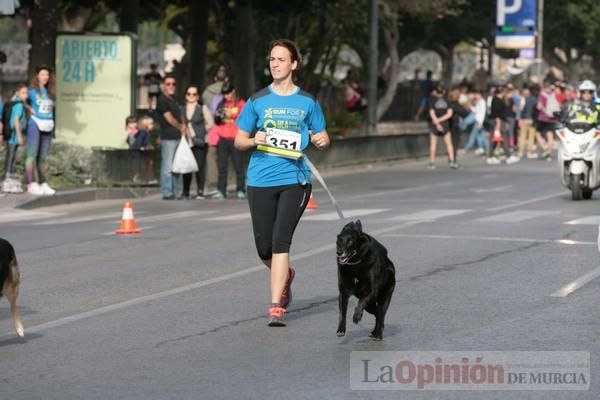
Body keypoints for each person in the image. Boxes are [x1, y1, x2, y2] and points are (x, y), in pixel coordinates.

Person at [234, 39, 330, 326]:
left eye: (280, 59)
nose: (274, 64)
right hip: (260, 179)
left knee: (280, 242)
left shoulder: (308, 102)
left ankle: (276, 305)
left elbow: (322, 136)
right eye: (272, 59)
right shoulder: (258, 100)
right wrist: (254, 139)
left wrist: (322, 140)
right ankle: (285, 274)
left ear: (294, 64)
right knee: (264, 248)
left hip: (295, 180)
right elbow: (239, 140)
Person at [26, 65, 56, 196]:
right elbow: (18, 99)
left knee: (42, 158)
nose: (45, 77)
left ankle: (43, 183)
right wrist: (28, 108)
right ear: (37, 75)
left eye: (47, 75)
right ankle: (32, 183)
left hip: (48, 125)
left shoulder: (50, 92)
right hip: (35, 124)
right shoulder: (32, 91)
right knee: (31, 155)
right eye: (42, 74)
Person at [156, 74, 186, 200]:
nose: (171, 86)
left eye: (173, 84)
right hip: (168, 137)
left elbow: (181, 115)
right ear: (163, 86)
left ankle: (177, 191)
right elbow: (169, 118)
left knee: (176, 166)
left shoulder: (176, 99)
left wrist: (183, 126)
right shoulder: (162, 100)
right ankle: (167, 192)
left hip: (178, 137)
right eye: (168, 84)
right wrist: (181, 127)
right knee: (167, 167)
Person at [214, 82, 246, 199]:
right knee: (222, 167)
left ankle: (241, 189)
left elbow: (245, 117)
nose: (226, 96)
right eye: (224, 94)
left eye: (227, 93)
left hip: (236, 139)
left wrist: (232, 113)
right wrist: (218, 115)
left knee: (238, 166)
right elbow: (216, 121)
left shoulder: (240, 103)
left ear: (233, 91)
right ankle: (221, 190)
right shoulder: (221, 104)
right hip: (223, 139)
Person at [181, 84, 214, 199]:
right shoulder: (182, 108)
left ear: (198, 96)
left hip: (200, 141)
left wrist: (202, 130)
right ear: (185, 96)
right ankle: (186, 191)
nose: (191, 96)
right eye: (189, 94)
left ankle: (200, 190)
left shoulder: (202, 108)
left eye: (194, 94)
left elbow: (210, 122)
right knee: (187, 167)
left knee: (200, 166)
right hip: (187, 142)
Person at [203, 65, 229, 197]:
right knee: (227, 157)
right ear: (226, 79)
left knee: (211, 156)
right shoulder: (230, 91)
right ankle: (231, 185)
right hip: (227, 128)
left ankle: (213, 184)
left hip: (213, 128)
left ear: (214, 78)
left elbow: (204, 109)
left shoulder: (207, 92)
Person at [2, 84, 28, 193]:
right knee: (11, 155)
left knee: (12, 155)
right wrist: (19, 136)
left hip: (11, 134)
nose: (25, 95)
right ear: (17, 93)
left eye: (26, 93)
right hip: (14, 135)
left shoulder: (16, 103)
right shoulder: (19, 105)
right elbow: (16, 120)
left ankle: (10, 177)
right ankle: (7, 179)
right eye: (23, 93)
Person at [427, 86, 458, 169]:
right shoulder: (447, 101)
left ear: (436, 92)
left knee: (433, 144)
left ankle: (432, 162)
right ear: (443, 92)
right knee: (448, 144)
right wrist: (441, 120)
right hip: (445, 124)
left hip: (434, 124)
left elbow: (432, 112)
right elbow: (449, 114)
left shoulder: (432, 101)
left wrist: (436, 122)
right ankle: (452, 161)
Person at [536, 82, 559, 161]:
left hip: (543, 118)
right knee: (550, 136)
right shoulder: (552, 95)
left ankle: (544, 147)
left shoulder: (542, 95)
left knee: (538, 134)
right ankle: (548, 153)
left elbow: (539, 107)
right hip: (552, 119)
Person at [125, 115, 151, 183]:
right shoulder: (129, 132)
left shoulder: (140, 132)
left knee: (140, 164)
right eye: (130, 123)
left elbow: (139, 142)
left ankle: (139, 177)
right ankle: (135, 177)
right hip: (133, 152)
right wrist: (129, 134)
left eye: (134, 123)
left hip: (140, 151)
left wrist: (143, 146)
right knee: (135, 164)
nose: (132, 125)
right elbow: (129, 142)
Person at [518, 86, 539, 159]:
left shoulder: (523, 99)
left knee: (522, 136)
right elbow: (537, 109)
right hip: (532, 120)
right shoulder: (534, 99)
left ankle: (521, 151)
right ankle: (529, 152)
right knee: (531, 137)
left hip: (524, 119)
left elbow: (520, 110)